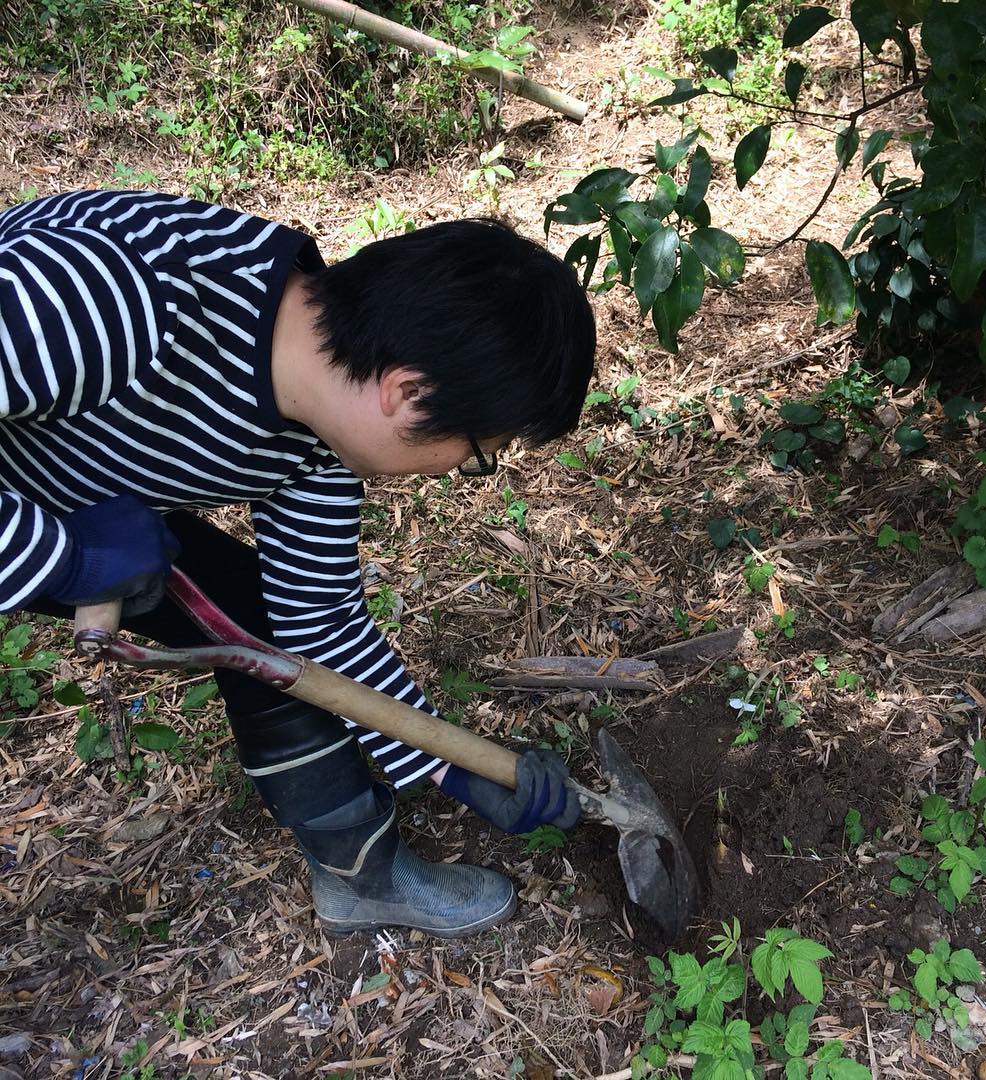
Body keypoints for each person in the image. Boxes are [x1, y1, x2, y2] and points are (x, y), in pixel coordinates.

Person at [0, 189, 596, 938]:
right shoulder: (122, 291)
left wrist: (455, 767)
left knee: (251, 621)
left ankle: (360, 878)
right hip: (40, 499)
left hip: (69, 485)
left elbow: (315, 618)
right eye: (481, 455)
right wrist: (62, 557)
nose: (459, 472)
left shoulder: (319, 427)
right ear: (407, 392)